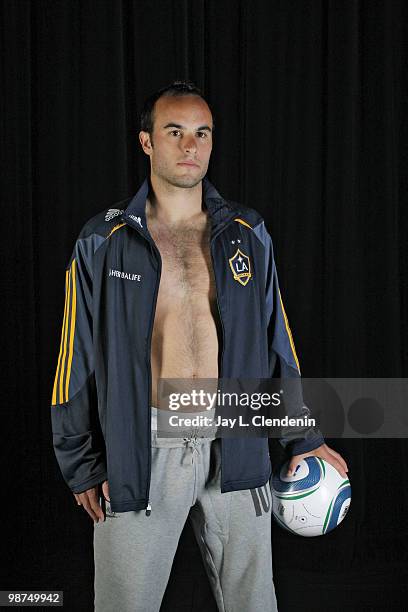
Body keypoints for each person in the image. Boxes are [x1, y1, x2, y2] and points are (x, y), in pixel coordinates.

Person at [50, 80, 348, 612]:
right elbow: (73, 360)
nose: (191, 146)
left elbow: (279, 341)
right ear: (147, 142)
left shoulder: (246, 231)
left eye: (202, 134)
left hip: (237, 437)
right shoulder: (102, 238)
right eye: (175, 132)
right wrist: (82, 463)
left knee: (254, 603)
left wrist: (303, 437)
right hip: (143, 449)